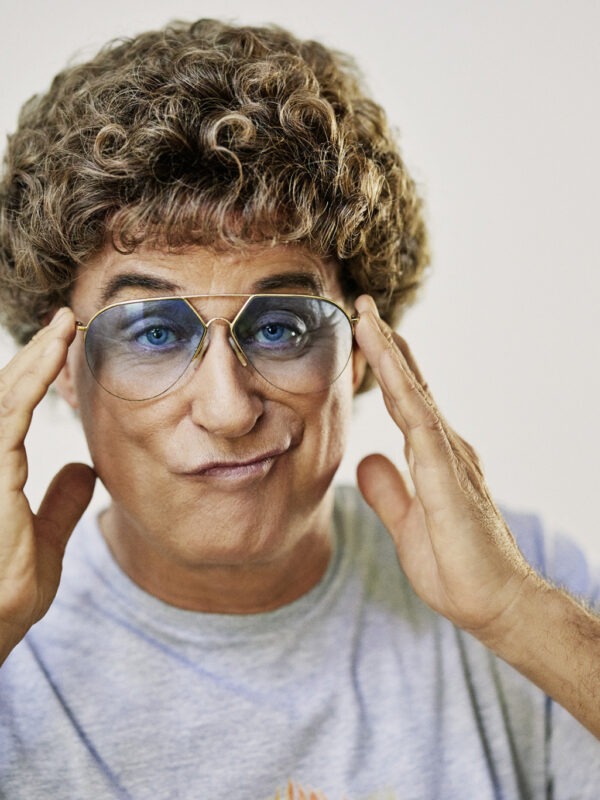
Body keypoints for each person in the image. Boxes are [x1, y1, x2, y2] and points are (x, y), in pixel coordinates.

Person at [0, 18, 598, 800]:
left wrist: (518, 613)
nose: (227, 409)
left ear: (363, 350)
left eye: (280, 326)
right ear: (60, 368)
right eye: (153, 331)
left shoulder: (531, 585)